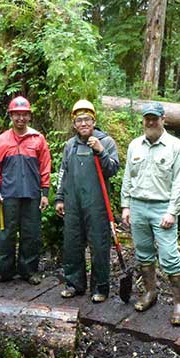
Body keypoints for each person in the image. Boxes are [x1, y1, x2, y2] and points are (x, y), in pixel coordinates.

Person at [120, 101, 180, 325]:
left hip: (162, 208)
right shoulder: (134, 146)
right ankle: (150, 292)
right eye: (147, 118)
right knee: (143, 254)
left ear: (163, 120)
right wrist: (126, 205)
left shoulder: (175, 146)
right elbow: (128, 177)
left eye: (155, 118)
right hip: (138, 207)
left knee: (169, 256)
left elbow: (179, 182)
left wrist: (172, 211)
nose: (150, 122)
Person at [55, 99, 120, 303]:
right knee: (72, 244)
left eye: (88, 119)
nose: (84, 124)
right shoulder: (70, 145)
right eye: (79, 120)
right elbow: (63, 172)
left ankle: (100, 287)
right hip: (73, 202)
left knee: (99, 246)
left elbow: (112, 170)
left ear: (94, 121)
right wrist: (59, 198)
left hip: (97, 204)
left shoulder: (106, 141)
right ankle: (74, 284)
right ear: (74, 124)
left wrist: (100, 151)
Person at [0, 96, 51, 285]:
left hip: (31, 195)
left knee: (31, 234)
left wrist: (45, 193)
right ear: (11, 116)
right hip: (7, 196)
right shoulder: (1, 141)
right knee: (4, 233)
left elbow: (45, 166)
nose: (20, 119)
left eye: (24, 115)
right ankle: (4, 271)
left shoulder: (38, 139)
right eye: (17, 115)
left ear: (29, 116)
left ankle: (28, 271)